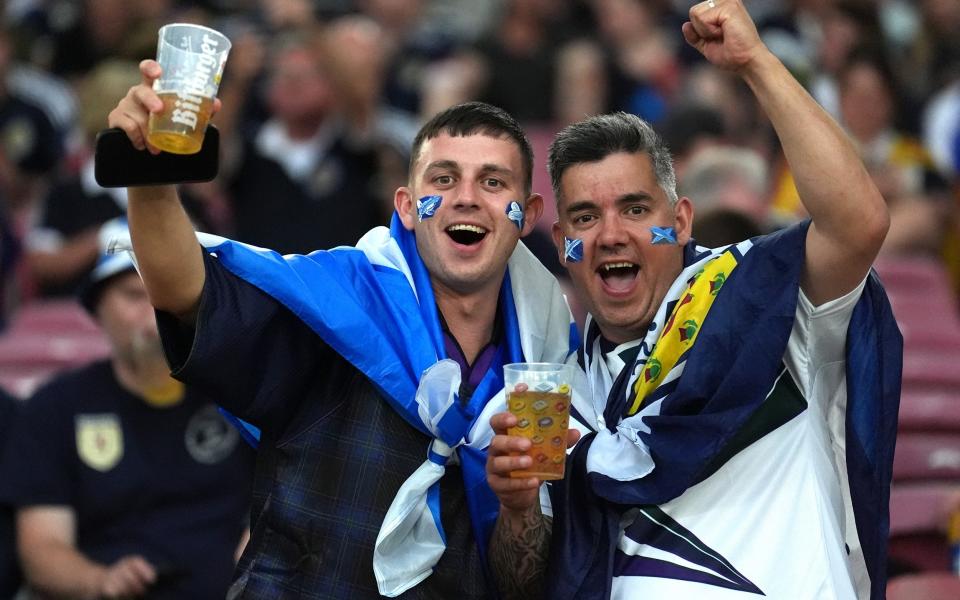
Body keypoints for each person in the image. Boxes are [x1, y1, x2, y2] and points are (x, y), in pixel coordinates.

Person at [106, 57, 578, 597]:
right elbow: (185, 291)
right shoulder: (335, 306)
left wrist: (519, 510)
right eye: (443, 179)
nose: (466, 197)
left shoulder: (544, 363)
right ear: (405, 207)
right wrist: (150, 180)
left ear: (529, 212)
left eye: (493, 182)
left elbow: (526, 583)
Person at [485, 1, 902, 599]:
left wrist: (757, 63)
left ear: (680, 221)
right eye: (585, 216)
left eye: (634, 209)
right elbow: (527, 583)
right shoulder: (554, 396)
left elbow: (858, 222)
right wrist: (519, 509)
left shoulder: (761, 306)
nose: (611, 234)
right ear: (564, 244)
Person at [0, 219, 254, 599]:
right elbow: (42, 547)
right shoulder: (54, 407)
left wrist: (252, 571)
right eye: (135, 296)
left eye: (168, 295)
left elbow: (282, 511)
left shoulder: (242, 397)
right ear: (97, 308)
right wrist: (99, 581)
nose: (154, 313)